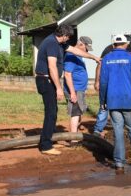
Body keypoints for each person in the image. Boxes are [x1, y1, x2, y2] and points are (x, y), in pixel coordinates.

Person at [35, 24, 100, 156]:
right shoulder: (52, 43)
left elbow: (76, 51)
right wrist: (59, 88)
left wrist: (93, 57)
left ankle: (49, 139)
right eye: (68, 37)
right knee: (51, 113)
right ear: (64, 35)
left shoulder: (59, 44)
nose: (68, 39)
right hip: (46, 81)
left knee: (53, 112)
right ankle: (45, 146)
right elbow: (52, 67)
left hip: (49, 81)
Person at [99, 34, 131, 172]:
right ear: (126, 44)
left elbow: (103, 82)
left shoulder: (107, 59)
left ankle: (119, 164)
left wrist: (102, 101)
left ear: (113, 45)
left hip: (113, 101)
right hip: (129, 100)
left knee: (118, 131)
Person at [92, 36, 131, 136]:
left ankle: (126, 127)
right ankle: (98, 129)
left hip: (124, 83)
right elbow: (100, 64)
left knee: (125, 106)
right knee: (104, 105)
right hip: (109, 82)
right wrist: (97, 81)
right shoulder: (109, 49)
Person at [64, 36, 93, 133]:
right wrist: (72, 93)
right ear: (80, 44)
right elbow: (67, 74)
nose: (87, 51)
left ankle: (75, 132)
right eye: (86, 48)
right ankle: (73, 139)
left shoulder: (78, 56)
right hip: (75, 89)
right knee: (75, 113)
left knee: (79, 111)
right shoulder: (72, 56)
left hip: (79, 89)